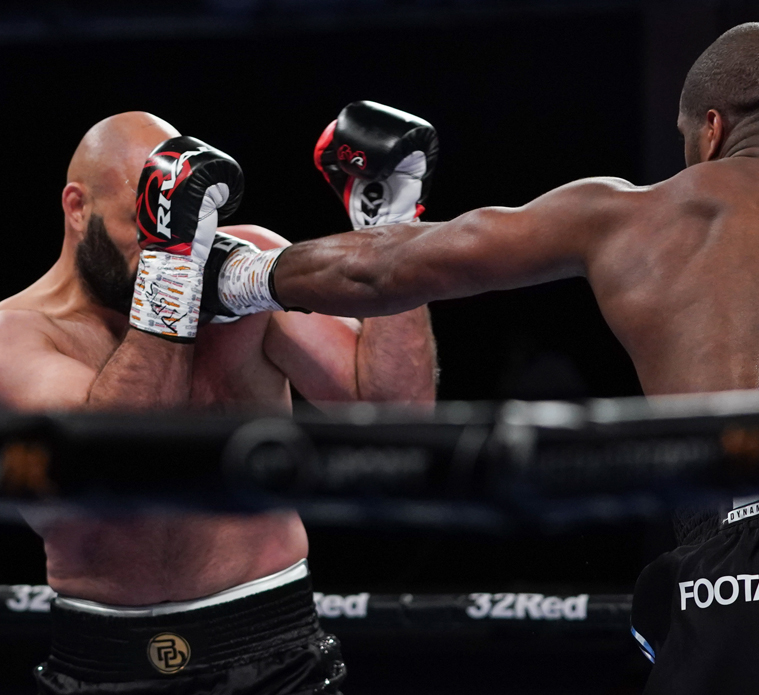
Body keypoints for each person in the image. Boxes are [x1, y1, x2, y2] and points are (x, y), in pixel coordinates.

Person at [212, 23, 759, 693]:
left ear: (712, 129)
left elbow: (382, 272)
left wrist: (230, 273)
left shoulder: (625, 217)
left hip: (732, 570)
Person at [0, 109, 437, 693]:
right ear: (77, 207)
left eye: (173, 223)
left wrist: (390, 234)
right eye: (145, 223)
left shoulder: (240, 265)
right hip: (104, 663)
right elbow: (122, 462)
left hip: (274, 649)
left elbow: (396, 418)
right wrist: (172, 270)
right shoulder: (15, 335)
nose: (162, 242)